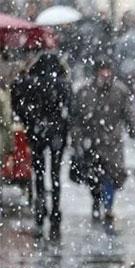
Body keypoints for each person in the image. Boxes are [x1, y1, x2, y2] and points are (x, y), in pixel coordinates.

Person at [71, 58, 135, 233]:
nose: (105, 74)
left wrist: (132, 128)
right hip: (91, 141)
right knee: (93, 176)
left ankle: (108, 207)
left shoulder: (120, 91)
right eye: (102, 71)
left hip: (112, 142)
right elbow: (77, 117)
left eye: (108, 70)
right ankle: (96, 200)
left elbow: (128, 112)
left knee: (112, 175)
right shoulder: (85, 92)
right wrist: (77, 139)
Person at [11, 53, 71, 240]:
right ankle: (55, 209)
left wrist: (28, 121)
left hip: (37, 131)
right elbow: (70, 107)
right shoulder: (61, 83)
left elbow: (17, 101)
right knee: (54, 174)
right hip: (56, 132)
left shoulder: (29, 82)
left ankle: (40, 206)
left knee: (39, 172)